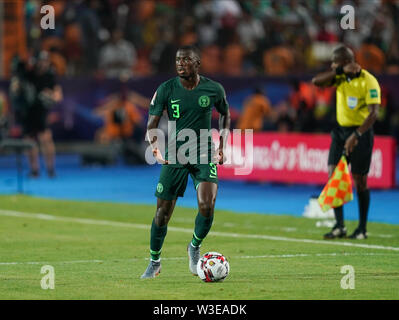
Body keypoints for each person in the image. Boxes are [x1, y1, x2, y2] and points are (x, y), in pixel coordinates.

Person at [141, 45, 230, 278]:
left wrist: (222, 146)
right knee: (162, 213)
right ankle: (154, 261)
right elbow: (151, 124)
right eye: (178, 60)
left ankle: (194, 246)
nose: (180, 64)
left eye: (186, 60)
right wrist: (156, 148)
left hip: (203, 153)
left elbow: (225, 113)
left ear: (197, 63)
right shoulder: (166, 89)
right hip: (175, 154)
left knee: (207, 206)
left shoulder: (213, 89)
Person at [312, 45, 381, 240]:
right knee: (334, 176)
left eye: (335, 63)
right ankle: (339, 226)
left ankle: (362, 228)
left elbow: (374, 114)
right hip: (340, 132)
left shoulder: (369, 81)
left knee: (360, 181)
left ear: (344, 61)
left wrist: (357, 136)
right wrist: (340, 71)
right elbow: (316, 81)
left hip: (361, 133)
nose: (332, 66)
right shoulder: (339, 76)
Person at [22, 51, 62, 177]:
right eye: (41, 61)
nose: (44, 64)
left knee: (46, 139)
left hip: (41, 112)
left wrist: (51, 96)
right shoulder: (28, 74)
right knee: (29, 141)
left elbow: (58, 94)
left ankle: (51, 169)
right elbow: (18, 88)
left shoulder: (49, 75)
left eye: (46, 61)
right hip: (27, 112)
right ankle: (34, 170)